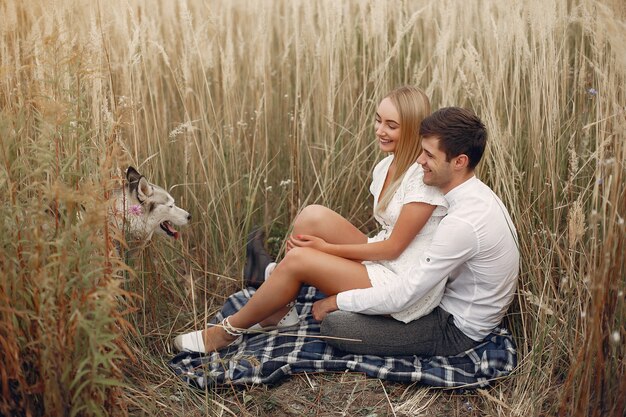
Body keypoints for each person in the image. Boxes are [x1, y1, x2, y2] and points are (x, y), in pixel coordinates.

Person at [173, 86, 450, 353]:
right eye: (378, 120)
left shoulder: (423, 178)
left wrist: (325, 250)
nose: (379, 130)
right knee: (312, 216)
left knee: (299, 259)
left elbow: (393, 249)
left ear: (413, 129)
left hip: (404, 282)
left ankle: (226, 332)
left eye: (392, 125)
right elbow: (387, 238)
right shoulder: (386, 165)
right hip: (386, 258)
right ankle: (279, 314)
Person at [316, 107, 520, 356]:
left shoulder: (463, 222)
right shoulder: (477, 195)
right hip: (443, 302)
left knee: (334, 325)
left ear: (459, 161)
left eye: (429, 155)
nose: (419, 161)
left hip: (455, 329)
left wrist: (336, 300)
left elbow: (406, 295)